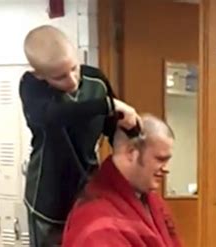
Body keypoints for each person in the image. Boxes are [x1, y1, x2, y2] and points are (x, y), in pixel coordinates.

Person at [19, 25, 139, 246]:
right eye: (59, 77)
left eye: (74, 69)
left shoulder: (96, 81)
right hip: (48, 197)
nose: (72, 81)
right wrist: (107, 105)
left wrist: (134, 137)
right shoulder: (32, 87)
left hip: (88, 189)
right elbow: (52, 116)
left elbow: (115, 127)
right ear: (40, 75)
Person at [62, 114, 182, 247]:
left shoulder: (153, 202)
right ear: (131, 152)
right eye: (160, 159)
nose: (166, 169)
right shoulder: (96, 221)